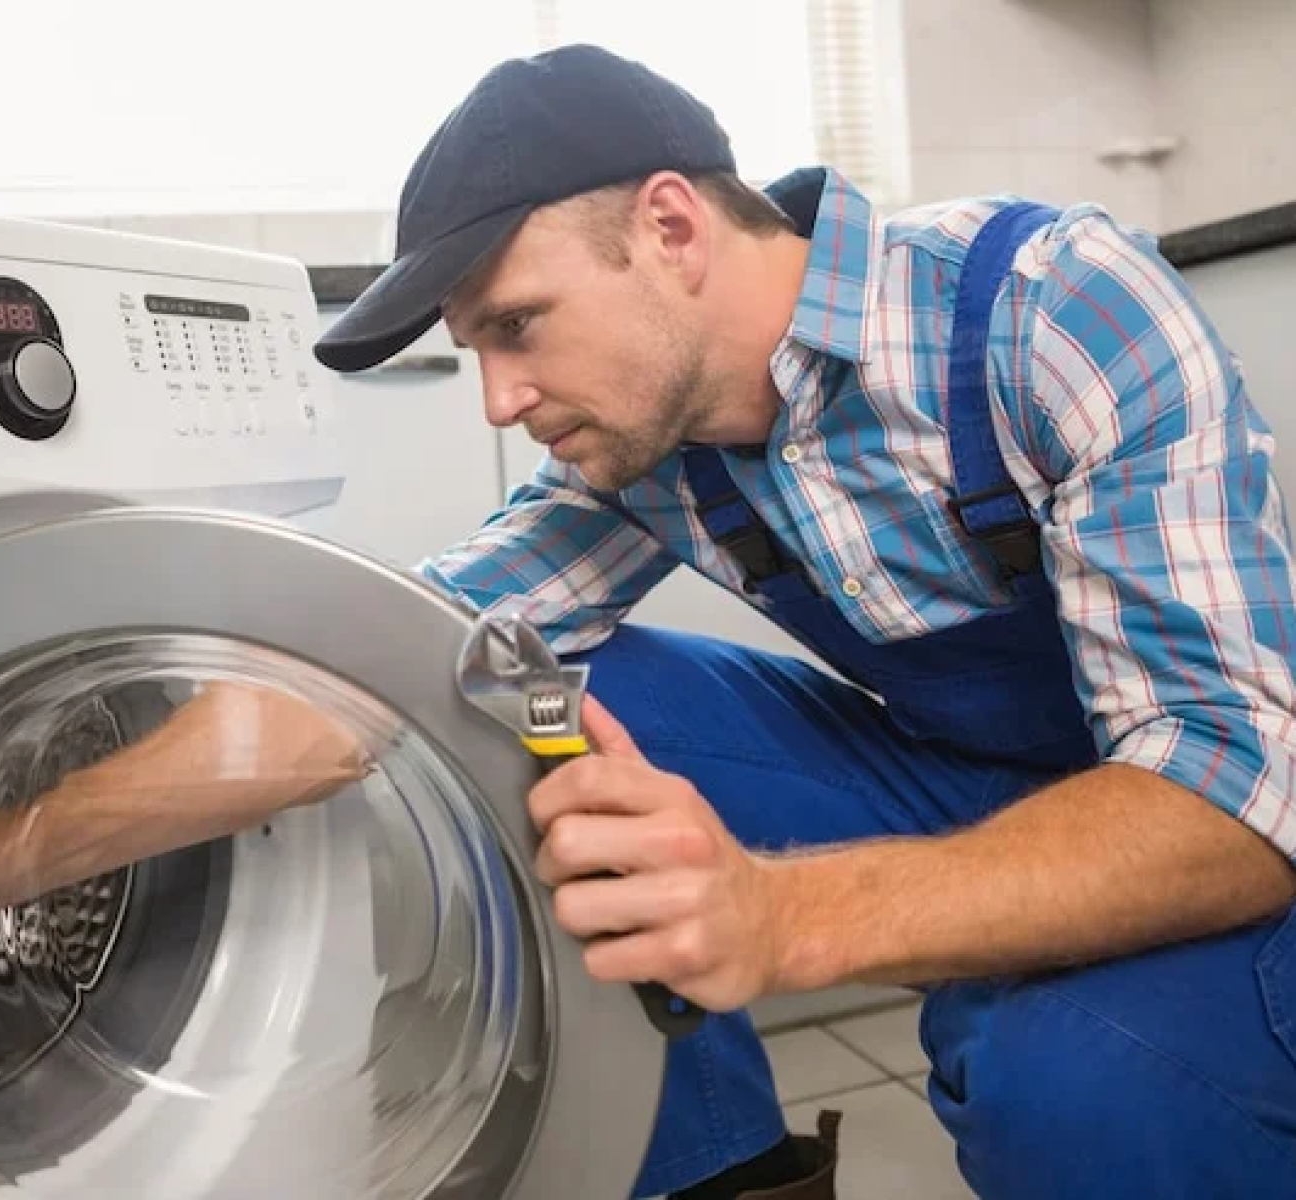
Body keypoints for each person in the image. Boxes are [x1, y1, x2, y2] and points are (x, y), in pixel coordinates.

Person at [310, 43, 1296, 1200]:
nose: (500, 399)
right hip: (966, 778)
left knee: (1072, 1088)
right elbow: (405, 647)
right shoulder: (648, 438)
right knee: (526, 705)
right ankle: (730, 1176)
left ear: (671, 231)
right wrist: (49, 822)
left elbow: (1236, 778)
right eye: (473, 351)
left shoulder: (1050, 303)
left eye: (517, 326)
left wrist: (782, 918)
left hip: (1206, 809)